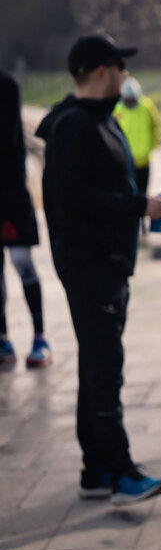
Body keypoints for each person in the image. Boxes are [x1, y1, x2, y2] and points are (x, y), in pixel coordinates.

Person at [35, 34, 161, 505]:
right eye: (119, 67)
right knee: (104, 368)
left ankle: (94, 468)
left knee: (96, 366)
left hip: (105, 265)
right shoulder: (74, 126)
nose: (125, 75)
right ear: (100, 71)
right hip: (89, 267)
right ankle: (119, 472)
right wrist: (139, 205)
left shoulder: (97, 119)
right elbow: (70, 200)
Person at [0, 68, 50, 369]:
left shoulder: (6, 86)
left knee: (22, 263)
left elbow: (6, 137)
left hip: (11, 196)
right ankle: (3, 337)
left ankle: (40, 337)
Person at [112, 75, 160, 195]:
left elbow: (155, 125)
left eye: (131, 99)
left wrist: (153, 145)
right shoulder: (117, 109)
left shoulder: (147, 106)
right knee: (129, 195)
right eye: (127, 100)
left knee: (142, 193)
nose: (130, 102)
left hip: (143, 160)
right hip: (126, 161)